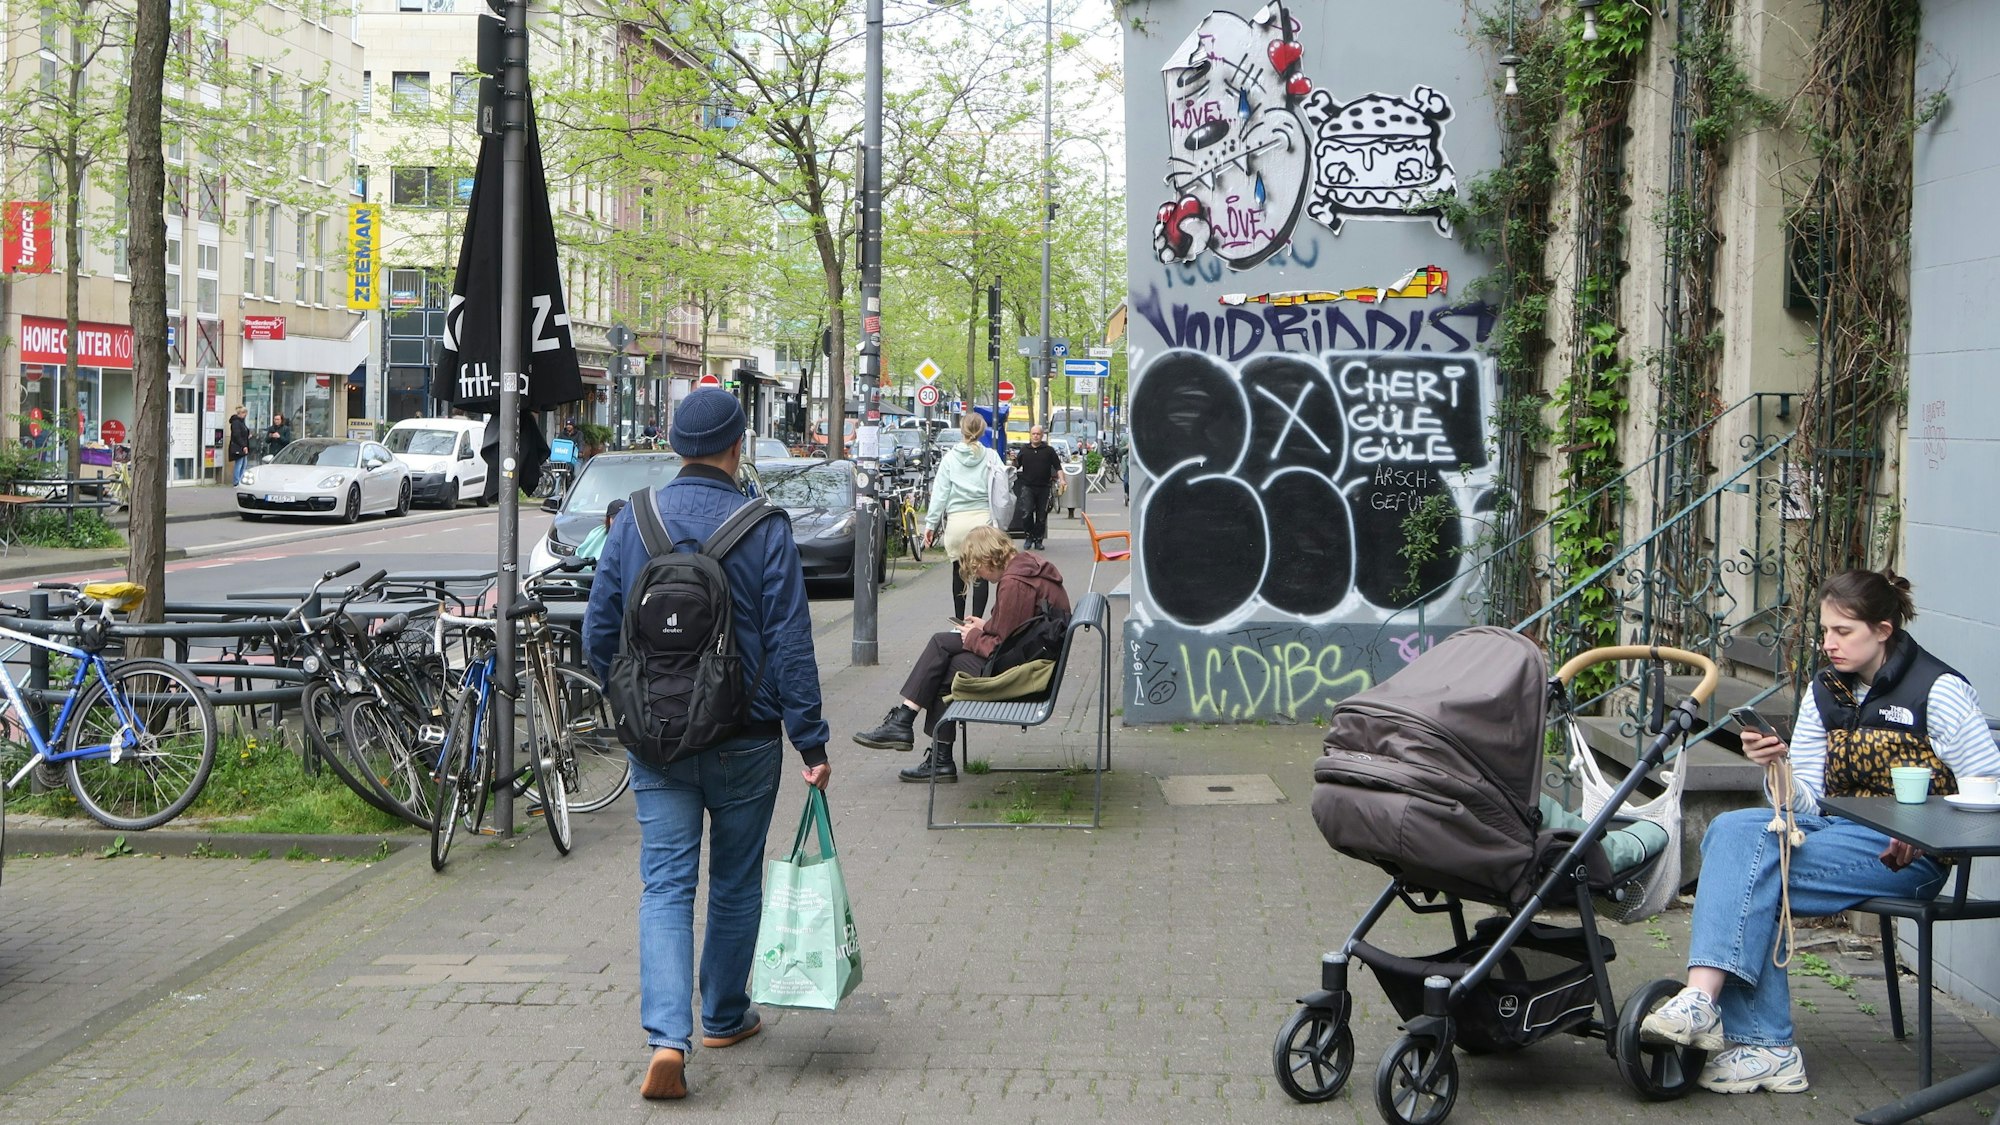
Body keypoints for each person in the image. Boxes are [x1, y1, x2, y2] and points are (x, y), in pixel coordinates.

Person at [1639, 569, 2000, 1095]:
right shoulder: (1824, 691)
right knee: (1733, 830)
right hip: (1830, 834)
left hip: (1907, 859)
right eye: (1825, 631)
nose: (1829, 644)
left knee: (1754, 868)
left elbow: (1989, 789)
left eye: (1843, 632)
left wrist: (1923, 831)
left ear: (1882, 629)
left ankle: (1756, 1039)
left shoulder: (1938, 691)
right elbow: (1803, 801)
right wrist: (1775, 766)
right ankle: (1726, 1019)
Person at [582, 387, 831, 1102]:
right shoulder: (765, 526)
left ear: (675, 446)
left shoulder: (635, 521)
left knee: (664, 885)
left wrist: (631, 701)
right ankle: (723, 1013)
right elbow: (790, 644)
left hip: (654, 740)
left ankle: (668, 1038)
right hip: (746, 738)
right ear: (737, 445)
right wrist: (810, 739)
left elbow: (600, 632)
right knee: (732, 880)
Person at [853, 525, 1070, 782]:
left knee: (945, 663)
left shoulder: (1014, 584)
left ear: (988, 557)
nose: (978, 574)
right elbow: (1016, 632)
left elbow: (999, 648)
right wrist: (984, 626)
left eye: (977, 567)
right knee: (943, 649)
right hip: (1032, 662)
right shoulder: (1027, 566)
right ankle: (909, 727)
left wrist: (975, 637)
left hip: (1024, 674)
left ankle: (921, 739)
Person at [924, 412, 1003, 623]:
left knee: (958, 573)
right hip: (983, 522)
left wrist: (930, 525)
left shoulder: (949, 458)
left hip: (957, 523)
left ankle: (958, 622)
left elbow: (940, 495)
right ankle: (976, 623)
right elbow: (1003, 487)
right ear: (982, 430)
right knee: (981, 575)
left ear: (962, 430)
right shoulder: (991, 456)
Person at [1013, 425, 1061, 551]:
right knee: (1027, 513)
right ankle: (1029, 536)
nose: (1035, 436)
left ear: (1042, 435)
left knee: (1041, 516)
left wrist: (1063, 480)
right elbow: (1017, 466)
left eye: (1038, 434)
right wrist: (1013, 461)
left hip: (1044, 487)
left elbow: (1058, 467)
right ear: (1030, 435)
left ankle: (1038, 540)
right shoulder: (1025, 449)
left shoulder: (1049, 450)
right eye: (1033, 434)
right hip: (1028, 487)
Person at [573, 497, 626, 561]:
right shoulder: (596, 534)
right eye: (615, 519)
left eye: (623, 518)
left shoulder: (637, 536)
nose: (619, 522)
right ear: (608, 519)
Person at [228, 406, 252, 486]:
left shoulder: (241, 422)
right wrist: (244, 446)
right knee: (239, 464)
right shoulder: (236, 422)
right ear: (241, 413)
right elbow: (237, 435)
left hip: (242, 445)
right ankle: (236, 481)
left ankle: (240, 480)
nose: (245, 415)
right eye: (244, 413)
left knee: (243, 464)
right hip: (238, 446)